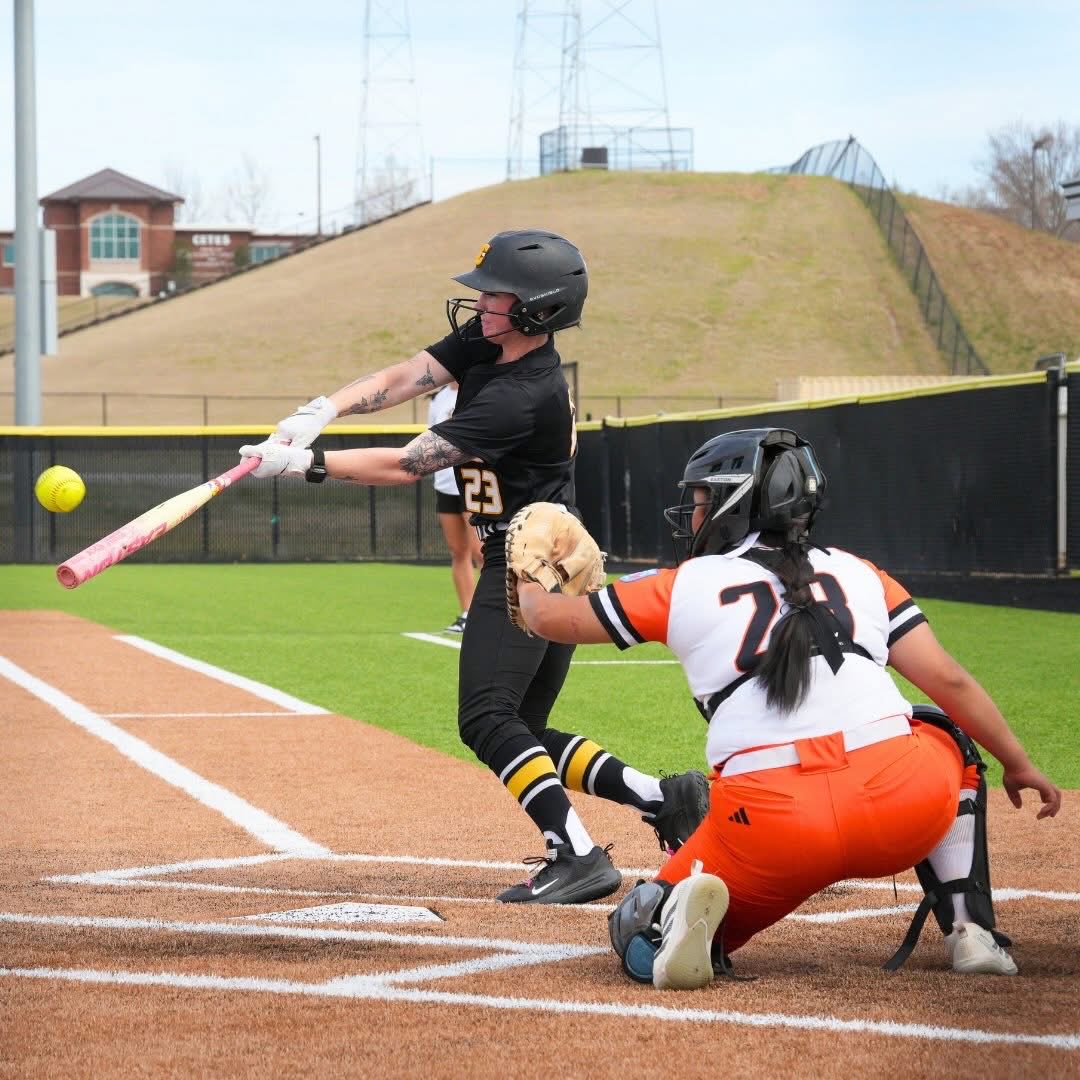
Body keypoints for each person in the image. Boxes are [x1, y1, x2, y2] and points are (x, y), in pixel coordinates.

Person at [237, 228, 709, 904]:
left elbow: (408, 464)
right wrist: (323, 410)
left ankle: (575, 852)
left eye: (496, 295)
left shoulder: (523, 393)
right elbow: (407, 376)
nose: (480, 304)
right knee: (524, 728)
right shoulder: (490, 344)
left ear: (536, 310)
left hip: (530, 558)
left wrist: (305, 464)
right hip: (546, 552)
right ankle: (662, 798)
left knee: (485, 718)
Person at [513, 427, 1061, 985]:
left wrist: (533, 569)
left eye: (702, 499)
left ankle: (677, 924)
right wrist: (1018, 762)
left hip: (772, 820)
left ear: (735, 500)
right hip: (901, 799)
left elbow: (547, 620)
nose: (693, 513)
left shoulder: (685, 584)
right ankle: (972, 931)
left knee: (636, 931)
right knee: (945, 733)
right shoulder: (863, 573)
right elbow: (952, 682)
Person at [427, 381, 483, 633]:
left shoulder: (478, 390)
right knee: (457, 551)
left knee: (481, 551)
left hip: (473, 480)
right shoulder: (439, 398)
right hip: (445, 482)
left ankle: (496, 613)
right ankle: (468, 613)